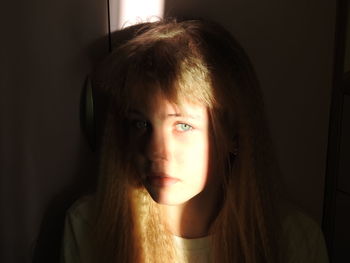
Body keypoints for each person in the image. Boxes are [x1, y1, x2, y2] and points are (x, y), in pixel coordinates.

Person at [61, 18, 329, 263]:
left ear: (233, 135)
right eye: (140, 123)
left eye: (183, 125)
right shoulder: (88, 226)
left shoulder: (295, 241)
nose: (155, 150)